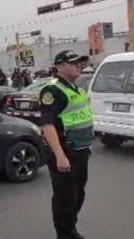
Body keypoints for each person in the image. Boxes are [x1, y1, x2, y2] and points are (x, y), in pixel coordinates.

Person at [39, 50, 92, 239]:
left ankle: (70, 228)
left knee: (78, 194)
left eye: (81, 62)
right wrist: (60, 155)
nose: (79, 65)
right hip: (65, 152)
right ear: (60, 67)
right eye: (74, 62)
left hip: (80, 151)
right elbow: (47, 125)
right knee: (65, 197)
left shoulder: (76, 88)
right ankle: (65, 234)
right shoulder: (52, 90)